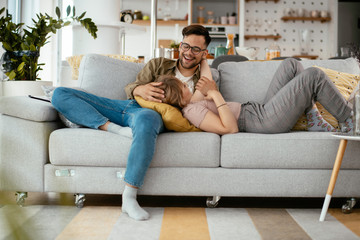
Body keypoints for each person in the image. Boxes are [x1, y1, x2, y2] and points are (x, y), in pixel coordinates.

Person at [51, 24, 213, 221]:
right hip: (125, 107)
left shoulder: (204, 81)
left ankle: (128, 197)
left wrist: (205, 67)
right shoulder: (158, 64)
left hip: (149, 116)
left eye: (196, 49)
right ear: (180, 45)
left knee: (147, 118)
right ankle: (111, 128)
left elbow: (204, 108)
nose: (188, 53)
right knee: (60, 93)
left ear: (204, 52)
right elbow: (132, 87)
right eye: (186, 46)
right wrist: (139, 90)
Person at [156, 58, 354, 135]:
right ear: (177, 93)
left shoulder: (192, 102)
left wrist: (203, 61)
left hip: (259, 110)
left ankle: (313, 119)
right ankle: (350, 120)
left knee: (291, 65)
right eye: (183, 84)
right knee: (314, 75)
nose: (187, 83)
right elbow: (230, 128)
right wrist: (215, 94)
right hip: (263, 121)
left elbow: (206, 77)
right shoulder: (192, 111)